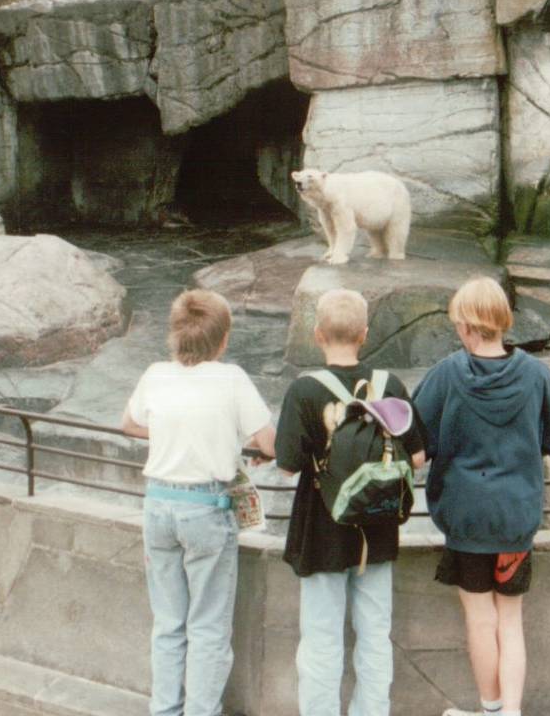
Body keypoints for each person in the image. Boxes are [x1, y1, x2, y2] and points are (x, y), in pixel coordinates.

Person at [413, 277, 550, 716]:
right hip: (515, 516)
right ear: (502, 321)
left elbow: (413, 436)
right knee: (510, 620)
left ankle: (490, 709)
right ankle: (512, 713)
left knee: (480, 619)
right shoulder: (537, 374)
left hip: (465, 517)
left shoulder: (447, 373)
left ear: (466, 326)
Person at [122, 289, 275, 716]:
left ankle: (164, 711)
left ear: (174, 335)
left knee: (168, 624)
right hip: (205, 510)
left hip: (157, 504)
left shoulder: (155, 374)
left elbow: (130, 423)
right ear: (223, 340)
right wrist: (220, 438)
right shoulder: (231, 379)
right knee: (208, 628)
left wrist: (176, 432)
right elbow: (268, 442)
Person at [274, 289, 426, 716]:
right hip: (377, 528)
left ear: (318, 335)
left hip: (321, 531)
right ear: (364, 334)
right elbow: (416, 455)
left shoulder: (304, 391)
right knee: (375, 634)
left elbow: (287, 465)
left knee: (321, 637)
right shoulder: (388, 385)